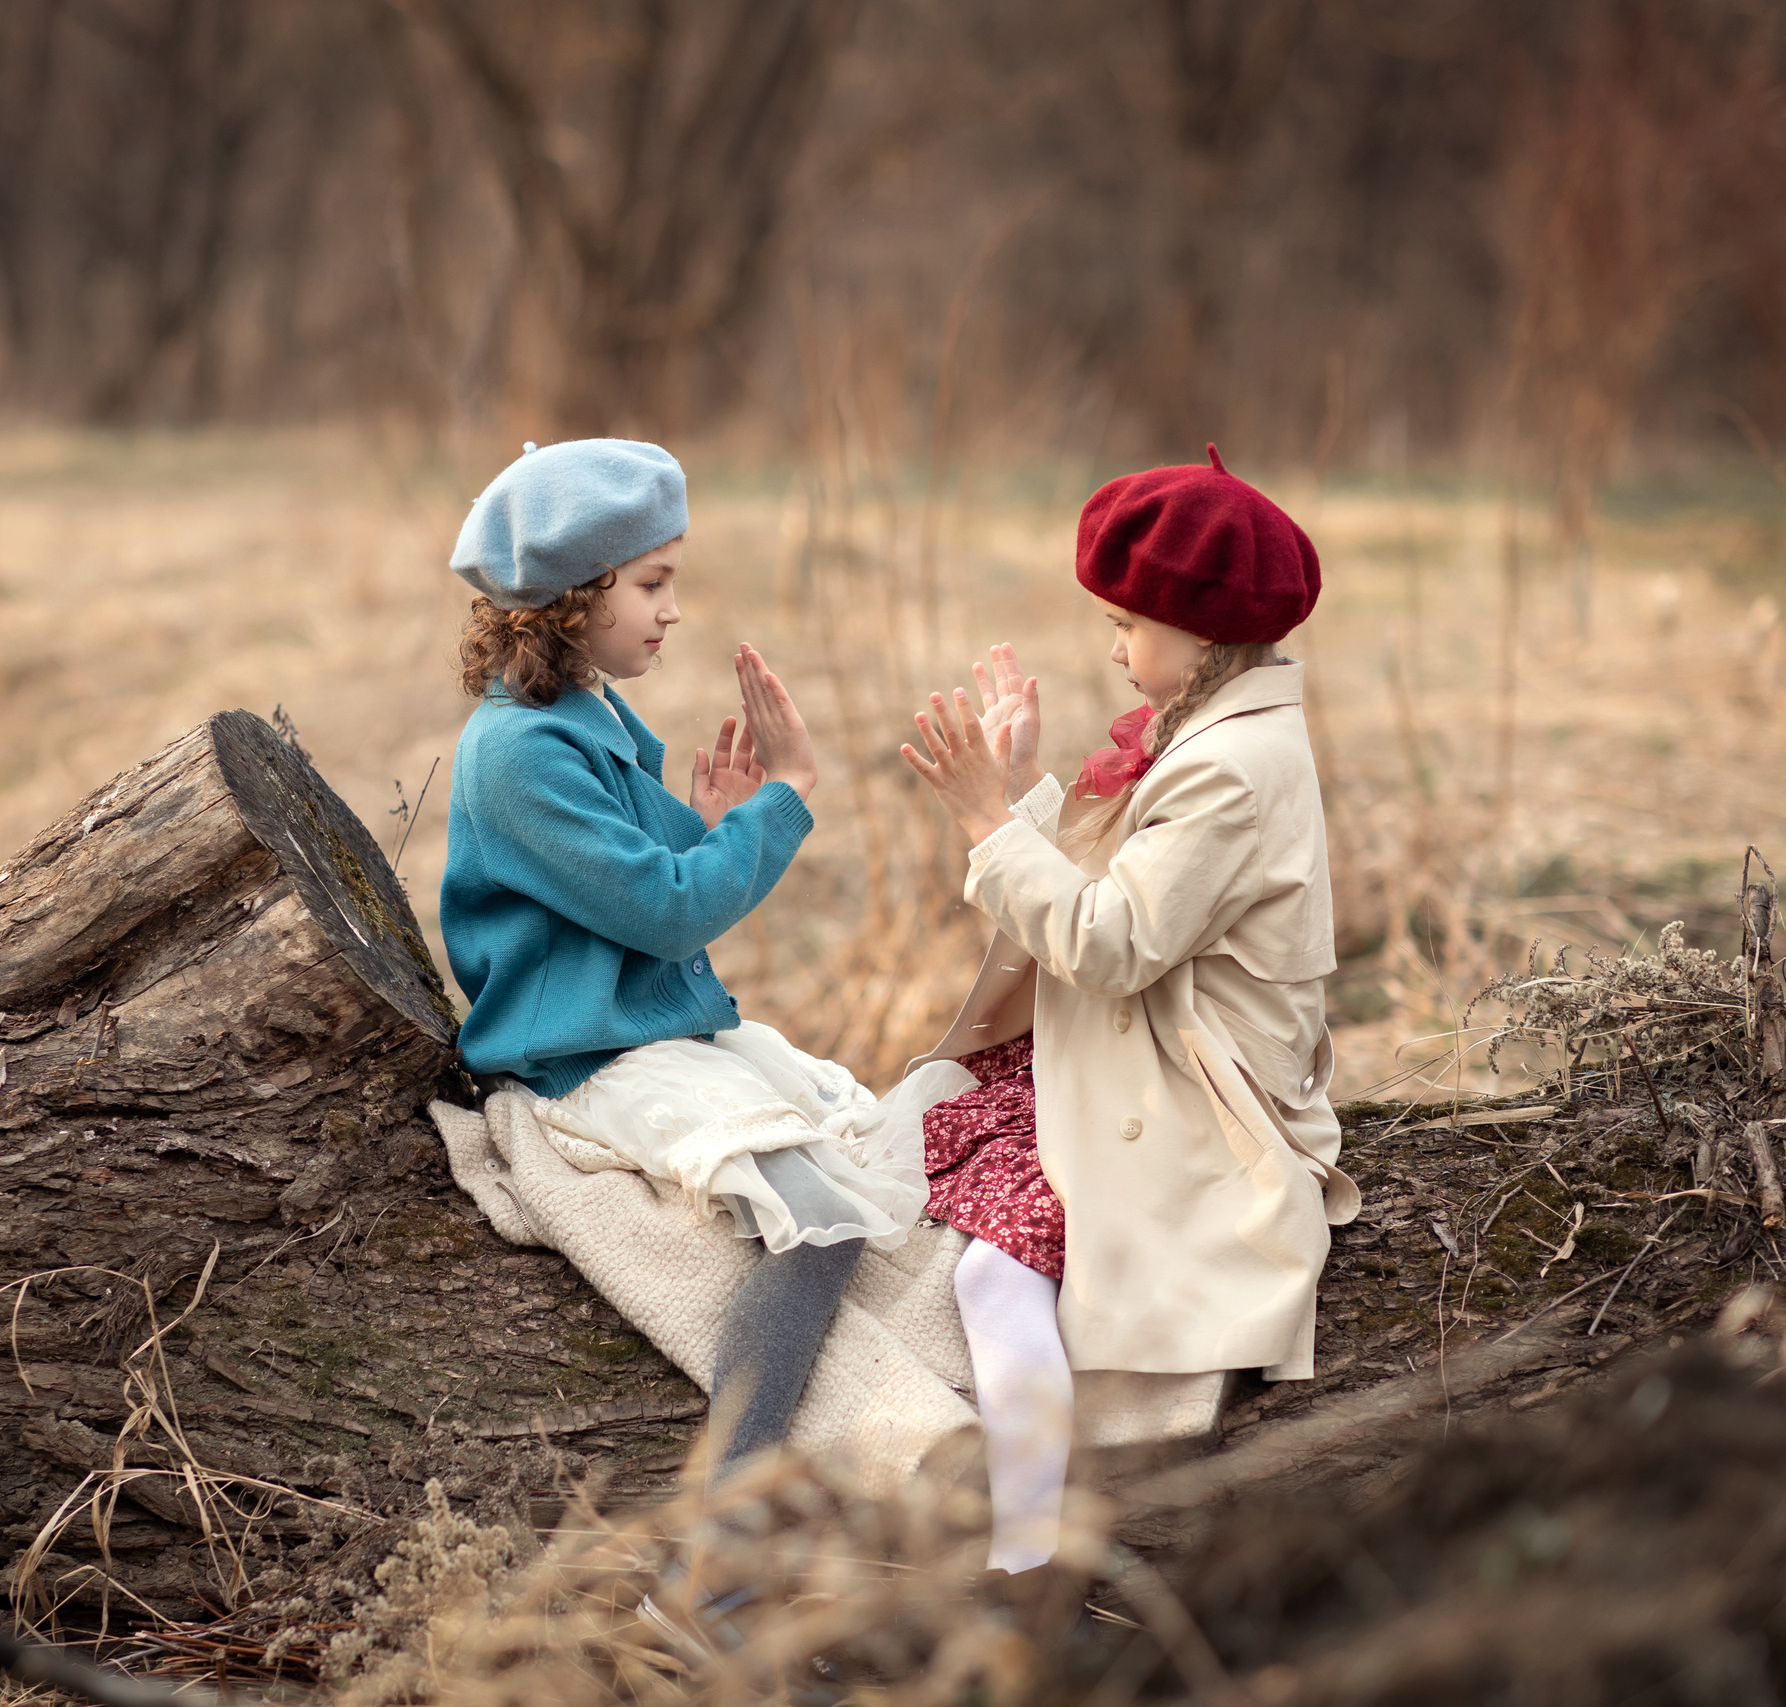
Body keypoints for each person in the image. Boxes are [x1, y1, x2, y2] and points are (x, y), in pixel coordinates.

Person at [439, 437, 972, 1473]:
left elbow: (625, 883)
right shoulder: (516, 753)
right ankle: (726, 1518)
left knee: (853, 1166)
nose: (671, 609)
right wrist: (783, 800)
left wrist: (705, 825)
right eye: (651, 582)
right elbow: (668, 913)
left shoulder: (579, 711)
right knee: (815, 1223)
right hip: (582, 1057)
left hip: (651, 1030)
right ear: (569, 594)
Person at [900, 445, 1362, 1576]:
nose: (1112, 649)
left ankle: (1023, 1560)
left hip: (1187, 1097)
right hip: (1137, 1056)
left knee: (992, 1271)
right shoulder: (1211, 734)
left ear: (1200, 632)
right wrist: (1016, 798)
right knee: (928, 1179)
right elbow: (1116, 885)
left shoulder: (1230, 768)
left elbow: (1109, 943)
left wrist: (983, 824)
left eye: (1127, 624)